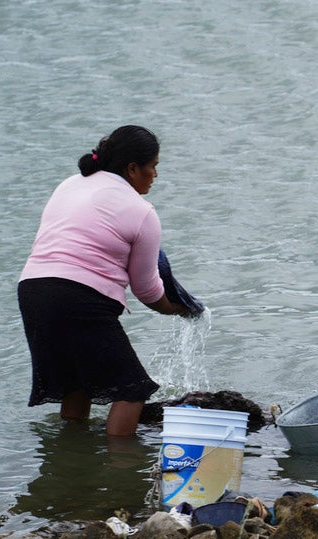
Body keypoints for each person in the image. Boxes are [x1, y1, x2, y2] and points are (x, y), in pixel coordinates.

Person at [18, 125, 192, 436]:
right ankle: (122, 470)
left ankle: (72, 462)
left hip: (33, 289)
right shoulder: (141, 212)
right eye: (154, 167)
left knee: (76, 385)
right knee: (133, 389)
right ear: (133, 168)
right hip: (78, 296)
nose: (155, 175)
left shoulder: (70, 184)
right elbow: (147, 289)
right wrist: (178, 308)